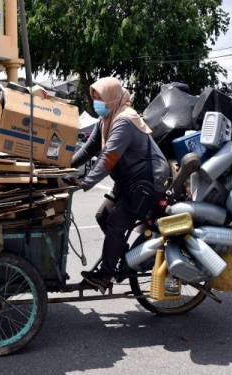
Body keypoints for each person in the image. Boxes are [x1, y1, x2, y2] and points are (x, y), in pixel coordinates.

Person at [71, 77, 170, 292]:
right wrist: (65, 167)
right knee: (102, 216)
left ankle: (105, 276)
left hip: (147, 182)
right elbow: (88, 150)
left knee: (116, 224)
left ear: (112, 98)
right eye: (94, 98)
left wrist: (84, 182)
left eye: (100, 99)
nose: (96, 103)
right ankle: (122, 257)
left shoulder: (124, 120)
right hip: (128, 181)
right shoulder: (106, 120)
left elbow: (109, 158)